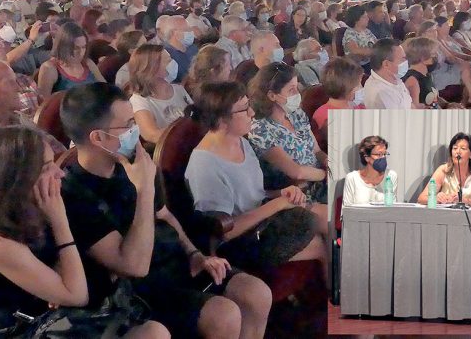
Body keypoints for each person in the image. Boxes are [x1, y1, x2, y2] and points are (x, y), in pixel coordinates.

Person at [59, 83, 271, 338]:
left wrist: (195, 253)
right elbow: (133, 266)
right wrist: (145, 187)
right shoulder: (76, 195)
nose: (135, 131)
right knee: (224, 314)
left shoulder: (130, 163)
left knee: (255, 293)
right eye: (127, 124)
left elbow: (165, 214)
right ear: (98, 137)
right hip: (141, 289)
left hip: (176, 262)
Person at [0, 125, 169, 338]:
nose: (60, 173)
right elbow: (76, 295)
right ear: (18, 179)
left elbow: (66, 277)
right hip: (10, 330)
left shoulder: (33, 209)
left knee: (153, 331)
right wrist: (60, 220)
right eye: (47, 167)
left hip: (47, 318)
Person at [186, 80, 326, 273]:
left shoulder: (241, 141)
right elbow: (224, 231)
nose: (252, 113)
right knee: (321, 241)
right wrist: (277, 204)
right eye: (244, 109)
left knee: (325, 224)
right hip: (240, 242)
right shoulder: (205, 164)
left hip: (262, 222)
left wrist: (280, 194)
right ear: (221, 120)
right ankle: (334, 298)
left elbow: (254, 194)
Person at [247, 62, 328, 206]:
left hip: (320, 183)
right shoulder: (260, 130)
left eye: (297, 88)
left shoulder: (296, 114)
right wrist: (328, 174)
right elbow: (296, 172)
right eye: (291, 90)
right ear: (272, 95)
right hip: (297, 194)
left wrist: (329, 163)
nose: (298, 94)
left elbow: (317, 151)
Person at [128, 44, 193, 144]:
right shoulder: (139, 100)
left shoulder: (178, 89)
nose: (173, 63)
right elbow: (150, 134)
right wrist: (185, 132)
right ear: (152, 69)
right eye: (168, 61)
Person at [417, 132, 471, 206]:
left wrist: (466, 201)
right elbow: (421, 198)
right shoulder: (443, 170)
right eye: (455, 148)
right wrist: (436, 199)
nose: (458, 152)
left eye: (463, 148)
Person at [37, 22, 105, 97]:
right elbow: (44, 104)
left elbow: (106, 89)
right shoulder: (50, 68)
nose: (81, 52)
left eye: (83, 47)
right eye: (76, 48)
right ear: (63, 46)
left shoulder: (88, 63)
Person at [403, 36, 460, 109]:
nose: (436, 56)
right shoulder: (413, 79)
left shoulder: (427, 75)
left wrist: (448, 105)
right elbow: (415, 109)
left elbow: (435, 99)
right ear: (423, 57)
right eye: (433, 54)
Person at [313, 57, 364, 129]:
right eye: (358, 84)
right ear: (348, 89)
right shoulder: (324, 116)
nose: (361, 88)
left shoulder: (356, 106)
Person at [343, 136, 396, 205]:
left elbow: (393, 208)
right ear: (367, 157)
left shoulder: (391, 176)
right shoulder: (352, 178)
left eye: (384, 154)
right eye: (379, 154)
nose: (383, 158)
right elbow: (347, 210)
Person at [363, 38, 411, 109]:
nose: (406, 61)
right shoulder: (381, 94)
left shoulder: (394, 78)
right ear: (386, 64)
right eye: (402, 59)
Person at [158, 15, 198, 83]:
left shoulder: (193, 48)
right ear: (174, 33)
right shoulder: (165, 55)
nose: (191, 32)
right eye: (187, 30)